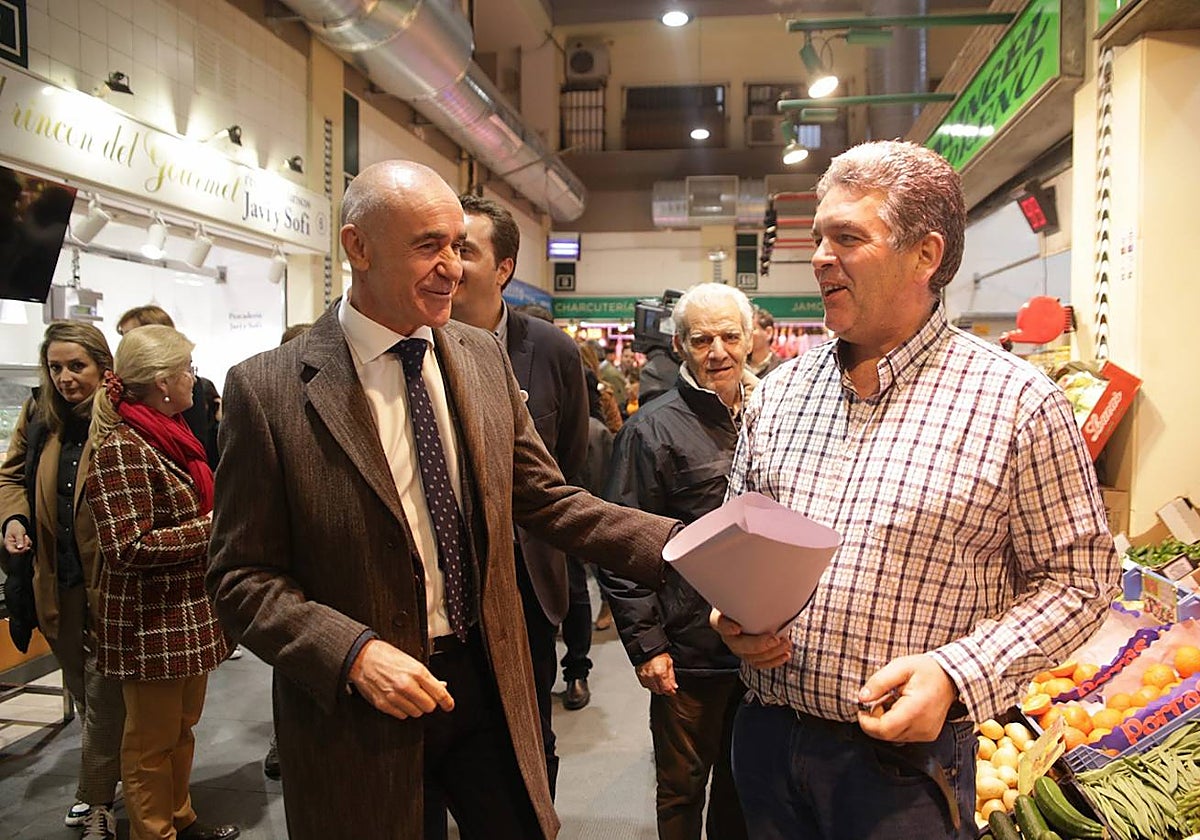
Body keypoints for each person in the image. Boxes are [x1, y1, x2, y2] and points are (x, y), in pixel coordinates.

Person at [205, 160, 678, 840]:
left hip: (488, 679)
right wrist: (352, 653)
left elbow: (546, 499)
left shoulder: (481, 357)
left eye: (457, 245)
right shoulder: (268, 390)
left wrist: (681, 544)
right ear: (358, 247)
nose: (452, 267)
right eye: (428, 246)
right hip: (362, 708)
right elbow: (240, 576)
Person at [711, 140, 1120, 840]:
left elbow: (1081, 580)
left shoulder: (1016, 404)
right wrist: (732, 613)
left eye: (848, 238)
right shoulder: (778, 394)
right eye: (819, 238)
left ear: (925, 255)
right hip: (765, 740)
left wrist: (957, 672)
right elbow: (737, 538)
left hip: (901, 770)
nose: (820, 257)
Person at [599, 283, 754, 840]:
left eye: (729, 336)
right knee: (683, 788)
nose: (718, 352)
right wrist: (648, 646)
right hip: (688, 652)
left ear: (750, 339)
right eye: (702, 339)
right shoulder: (650, 429)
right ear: (679, 345)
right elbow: (620, 546)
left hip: (763, 650)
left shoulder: (773, 415)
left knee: (744, 788)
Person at [451, 192, 592, 781]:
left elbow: (569, 466)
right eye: (440, 246)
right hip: (443, 578)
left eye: (464, 249)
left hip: (526, 574)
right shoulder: (416, 343)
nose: (448, 262)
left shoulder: (552, 350)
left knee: (531, 730)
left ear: (503, 268)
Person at [85, 325, 238, 840]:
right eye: (186, 370)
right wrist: (212, 528)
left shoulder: (166, 436)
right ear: (161, 382)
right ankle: (154, 832)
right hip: (149, 622)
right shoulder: (123, 447)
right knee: (150, 743)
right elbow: (127, 546)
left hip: (183, 614)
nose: (193, 378)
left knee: (180, 730)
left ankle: (179, 817)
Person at [0, 322, 125, 840]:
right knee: (86, 691)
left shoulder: (123, 414)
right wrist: (13, 519)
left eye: (77, 366)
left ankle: (95, 800)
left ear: (102, 365)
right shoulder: (38, 414)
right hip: (55, 580)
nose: (65, 378)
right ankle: (121, 779)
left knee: (102, 694)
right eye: (55, 367)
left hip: (112, 580)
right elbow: (10, 475)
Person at [115, 306, 218, 469]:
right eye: (124, 337)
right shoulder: (126, 449)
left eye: (130, 335)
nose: (125, 345)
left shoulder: (175, 422)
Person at [746, 307, 782, 378]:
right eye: (746, 330)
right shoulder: (740, 366)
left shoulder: (781, 369)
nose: (747, 334)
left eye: (753, 329)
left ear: (768, 333)